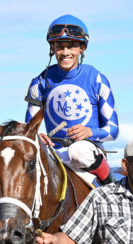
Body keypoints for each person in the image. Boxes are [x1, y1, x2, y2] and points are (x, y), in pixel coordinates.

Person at [24, 14, 119, 185]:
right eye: (60, 46)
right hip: (54, 153)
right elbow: (28, 130)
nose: (65, 52)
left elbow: (113, 131)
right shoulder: (39, 82)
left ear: (82, 47)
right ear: (52, 48)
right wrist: (38, 136)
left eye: (72, 46)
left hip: (88, 152)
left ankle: (111, 188)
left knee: (78, 150)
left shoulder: (97, 79)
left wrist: (90, 132)